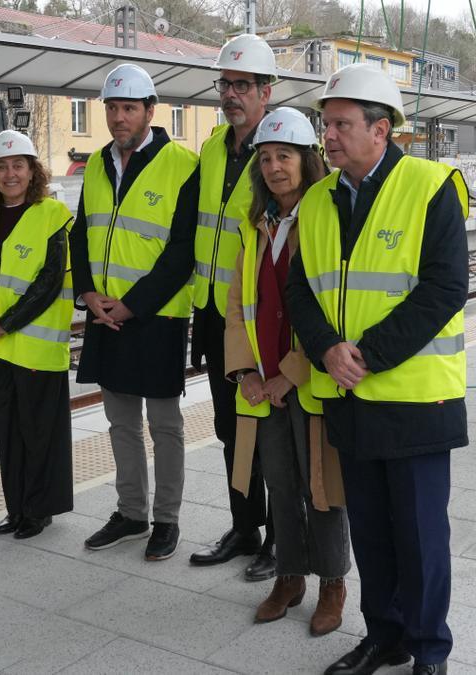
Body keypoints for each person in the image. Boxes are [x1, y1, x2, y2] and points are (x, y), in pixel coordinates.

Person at [285, 63, 469, 675]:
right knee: (371, 529)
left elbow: (444, 288)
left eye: (340, 124)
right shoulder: (316, 200)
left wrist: (363, 353)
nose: (327, 136)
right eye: (324, 123)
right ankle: (384, 636)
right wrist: (325, 350)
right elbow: (299, 292)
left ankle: (429, 650)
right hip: (349, 397)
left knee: (420, 538)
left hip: (416, 398)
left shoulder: (431, 185)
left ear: (380, 129)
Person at [225, 107, 352, 635]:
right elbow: (238, 305)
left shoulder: (325, 219)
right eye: (266, 158)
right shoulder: (258, 226)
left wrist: (291, 372)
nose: (275, 167)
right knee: (279, 481)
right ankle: (290, 575)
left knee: (321, 487)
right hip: (264, 386)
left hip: (310, 382)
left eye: (285, 156)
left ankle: (332, 582)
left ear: (308, 160)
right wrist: (246, 372)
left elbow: (333, 305)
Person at [71, 63, 199, 561]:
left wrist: (133, 304)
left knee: (165, 425)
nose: (119, 118)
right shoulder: (99, 162)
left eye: (129, 108)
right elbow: (81, 232)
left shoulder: (182, 165)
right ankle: (130, 512)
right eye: (112, 108)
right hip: (105, 315)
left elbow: (182, 251)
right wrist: (87, 293)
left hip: (157, 317)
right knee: (120, 422)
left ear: (150, 110)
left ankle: (166, 520)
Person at [189, 33, 278, 581]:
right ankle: (244, 527)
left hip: (262, 317)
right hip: (215, 312)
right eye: (225, 84)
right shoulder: (211, 148)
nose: (231, 94)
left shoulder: (284, 149)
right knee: (230, 427)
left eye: (242, 85)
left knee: (270, 428)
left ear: (266, 92)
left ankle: (280, 537)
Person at [0, 130, 75, 540]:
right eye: (2, 166)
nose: (10, 173)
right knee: (8, 433)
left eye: (18, 165)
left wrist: (5, 322)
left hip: (34, 345)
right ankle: (16, 508)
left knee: (39, 432)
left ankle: (38, 510)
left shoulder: (52, 216)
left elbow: (49, 282)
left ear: (33, 172)